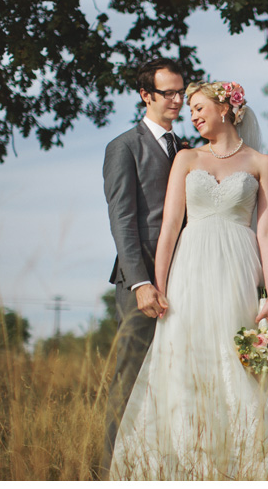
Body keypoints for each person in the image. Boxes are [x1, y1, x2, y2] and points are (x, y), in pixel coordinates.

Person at [109, 80, 268, 480]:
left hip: (239, 268)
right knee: (184, 359)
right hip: (190, 266)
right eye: (190, 109)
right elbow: (170, 226)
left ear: (225, 108)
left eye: (199, 107)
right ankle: (187, 462)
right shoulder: (187, 159)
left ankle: (245, 463)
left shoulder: (262, 163)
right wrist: (160, 285)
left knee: (234, 359)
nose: (192, 115)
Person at [100, 58, 189, 479]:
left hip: (187, 275)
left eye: (180, 92)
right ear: (146, 96)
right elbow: (123, 219)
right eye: (167, 92)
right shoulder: (124, 147)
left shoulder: (186, 148)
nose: (177, 100)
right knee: (132, 377)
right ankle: (109, 471)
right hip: (142, 282)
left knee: (179, 377)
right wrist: (140, 282)